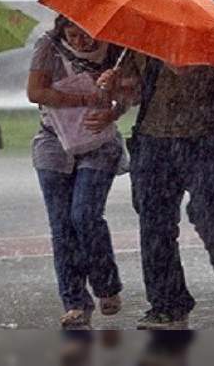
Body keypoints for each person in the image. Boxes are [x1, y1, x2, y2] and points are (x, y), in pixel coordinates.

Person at [88, 52, 214, 330]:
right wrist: (115, 84)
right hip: (155, 142)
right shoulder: (138, 43)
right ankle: (167, 304)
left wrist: (189, 68)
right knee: (155, 226)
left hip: (208, 140)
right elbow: (133, 93)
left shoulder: (205, 41)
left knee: (212, 217)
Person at [27, 16, 139, 330]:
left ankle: (106, 285)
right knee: (61, 226)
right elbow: (36, 92)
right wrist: (83, 99)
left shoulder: (117, 51)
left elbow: (131, 93)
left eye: (86, 34)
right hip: (53, 141)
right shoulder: (48, 47)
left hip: (98, 142)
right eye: (72, 34)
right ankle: (75, 302)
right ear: (62, 30)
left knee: (85, 216)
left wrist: (113, 107)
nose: (80, 42)